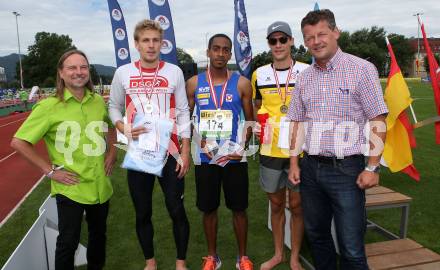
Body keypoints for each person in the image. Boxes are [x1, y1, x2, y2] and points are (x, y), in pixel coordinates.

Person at [287, 9, 388, 270]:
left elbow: (378, 119)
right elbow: (296, 121)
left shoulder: (361, 69)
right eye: (309, 38)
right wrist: (295, 163)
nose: (316, 41)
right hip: (310, 169)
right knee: (318, 236)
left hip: (347, 170)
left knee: (351, 246)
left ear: (335, 32)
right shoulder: (304, 77)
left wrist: (372, 166)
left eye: (321, 34)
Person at [11, 49, 117, 270]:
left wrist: (112, 152)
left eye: (83, 67)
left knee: (99, 236)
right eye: (72, 67)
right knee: (68, 242)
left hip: (100, 185)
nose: (78, 72)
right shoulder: (48, 107)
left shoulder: (97, 101)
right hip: (71, 187)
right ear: (61, 72)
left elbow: (110, 126)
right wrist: (49, 171)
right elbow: (19, 142)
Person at [108, 19, 190, 270]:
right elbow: (113, 106)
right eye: (146, 40)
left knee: (176, 209)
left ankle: (180, 263)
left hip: (171, 153)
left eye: (156, 40)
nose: (151, 45)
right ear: (136, 44)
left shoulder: (174, 72)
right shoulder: (123, 73)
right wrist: (123, 128)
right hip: (139, 153)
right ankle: (150, 263)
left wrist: (186, 151)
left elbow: (184, 111)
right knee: (142, 212)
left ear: (162, 43)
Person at [186, 33, 254, 270]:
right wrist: (198, 141)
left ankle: (242, 257)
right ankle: (212, 257)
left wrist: (242, 148)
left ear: (230, 54)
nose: (221, 54)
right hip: (206, 157)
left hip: (234, 157)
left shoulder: (242, 83)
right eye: (216, 49)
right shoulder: (194, 83)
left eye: (226, 50)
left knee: (239, 208)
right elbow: (186, 119)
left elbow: (250, 122)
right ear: (208, 52)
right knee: (209, 208)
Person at [251, 21, 308, 270]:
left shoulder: (307, 71)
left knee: (296, 205)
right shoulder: (259, 74)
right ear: (269, 44)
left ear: (292, 41)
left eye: (282, 40)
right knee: (275, 204)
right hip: (270, 150)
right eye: (273, 41)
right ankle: (278, 254)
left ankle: (294, 256)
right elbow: (256, 107)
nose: (278, 45)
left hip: (301, 150)